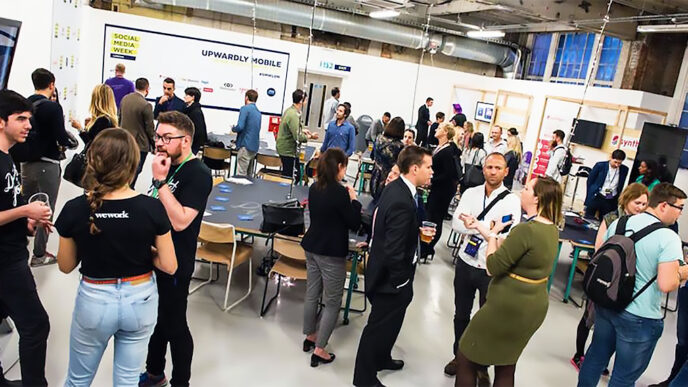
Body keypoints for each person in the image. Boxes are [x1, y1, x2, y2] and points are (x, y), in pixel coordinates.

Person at [55, 128, 177, 386]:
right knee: (127, 381)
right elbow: (169, 265)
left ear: (93, 160)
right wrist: (148, 253)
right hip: (140, 299)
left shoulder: (75, 209)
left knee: (77, 380)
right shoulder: (152, 208)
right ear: (134, 164)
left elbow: (66, 266)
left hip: (94, 299)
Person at [455, 176, 562, 387]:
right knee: (506, 363)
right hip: (532, 308)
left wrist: (494, 234)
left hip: (507, 306)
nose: (522, 191)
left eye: (528, 189)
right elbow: (509, 246)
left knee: (466, 356)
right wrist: (480, 227)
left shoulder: (525, 230)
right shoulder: (550, 230)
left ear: (537, 199)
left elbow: (493, 265)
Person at [578, 183, 688, 387]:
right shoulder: (668, 237)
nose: (680, 214)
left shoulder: (620, 223)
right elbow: (666, 284)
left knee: (594, 359)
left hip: (608, 304)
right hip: (640, 317)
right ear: (663, 205)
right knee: (623, 377)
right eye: (679, 207)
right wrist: (683, 271)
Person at [140, 111, 212, 387]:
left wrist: (159, 182)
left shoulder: (199, 173)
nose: (159, 142)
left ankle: (181, 382)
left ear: (186, 140)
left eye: (167, 138)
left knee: (175, 326)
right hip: (154, 258)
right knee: (160, 322)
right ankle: (155, 372)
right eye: (158, 136)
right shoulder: (166, 164)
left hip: (176, 261)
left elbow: (181, 220)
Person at [353, 146, 435, 387]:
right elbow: (393, 249)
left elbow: (393, 231)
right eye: (428, 167)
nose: (432, 172)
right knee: (377, 327)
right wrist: (402, 281)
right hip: (391, 278)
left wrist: (414, 231)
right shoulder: (401, 199)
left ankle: (382, 358)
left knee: (392, 322)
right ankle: (364, 378)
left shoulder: (398, 188)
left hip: (389, 272)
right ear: (414, 168)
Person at [444, 153, 522, 380]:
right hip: (466, 263)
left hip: (492, 267)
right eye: (489, 167)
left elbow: (508, 232)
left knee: (487, 319)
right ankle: (459, 356)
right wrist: (488, 228)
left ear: (506, 171)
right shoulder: (471, 193)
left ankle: (481, 366)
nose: (493, 171)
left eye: (498, 167)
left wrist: (475, 224)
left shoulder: (512, 200)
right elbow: (457, 223)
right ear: (483, 169)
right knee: (461, 315)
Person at [0, 89, 51, 387]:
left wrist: (26, 222)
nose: (28, 125)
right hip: (6, 261)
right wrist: (24, 211)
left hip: (11, 250)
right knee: (35, 325)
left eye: (29, 119)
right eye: (21, 119)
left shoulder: (8, 159)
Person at [571, 183, 649, 373]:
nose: (641, 207)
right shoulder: (612, 218)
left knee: (609, 325)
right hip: (604, 276)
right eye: (637, 202)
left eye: (645, 204)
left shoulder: (645, 223)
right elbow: (600, 248)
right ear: (627, 200)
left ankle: (599, 359)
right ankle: (579, 355)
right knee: (589, 318)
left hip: (624, 282)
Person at [301, 148, 362, 367]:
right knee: (332, 301)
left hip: (311, 247)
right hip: (330, 253)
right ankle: (320, 348)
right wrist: (354, 200)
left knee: (312, 293)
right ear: (339, 167)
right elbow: (353, 222)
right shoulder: (340, 193)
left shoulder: (314, 188)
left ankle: (310, 335)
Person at [20, 68, 73, 266]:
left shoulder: (25, 103)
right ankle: (40, 254)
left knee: (25, 205)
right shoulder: (52, 108)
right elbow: (61, 137)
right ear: (52, 84)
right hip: (48, 163)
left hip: (26, 162)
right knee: (45, 208)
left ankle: (20, 242)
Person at [421, 122, 461, 260]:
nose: (436, 130)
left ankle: (429, 248)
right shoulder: (440, 147)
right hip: (437, 188)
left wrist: (431, 180)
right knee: (430, 215)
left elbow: (448, 174)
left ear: (445, 132)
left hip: (443, 190)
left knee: (435, 218)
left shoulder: (448, 151)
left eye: (439, 128)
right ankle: (425, 246)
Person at [120, 77, 155, 188]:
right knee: (135, 173)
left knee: (124, 171)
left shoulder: (125, 99)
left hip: (124, 142)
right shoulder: (146, 105)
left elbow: (119, 118)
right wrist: (154, 144)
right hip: (140, 145)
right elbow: (149, 128)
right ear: (147, 88)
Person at [276, 89, 318, 181]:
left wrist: (302, 129)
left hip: (286, 149)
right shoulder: (294, 115)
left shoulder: (290, 110)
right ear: (301, 101)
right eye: (305, 99)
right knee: (293, 177)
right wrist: (311, 137)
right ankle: (285, 193)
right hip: (288, 151)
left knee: (291, 174)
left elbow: (290, 128)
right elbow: (298, 137)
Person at [584, 149, 629, 220]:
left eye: (619, 163)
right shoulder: (600, 165)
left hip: (610, 197)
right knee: (588, 218)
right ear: (611, 158)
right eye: (615, 162)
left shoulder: (624, 169)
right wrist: (590, 194)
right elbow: (590, 181)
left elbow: (620, 184)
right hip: (597, 195)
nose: (617, 165)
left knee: (605, 219)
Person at [369, 117, 405, 200]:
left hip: (375, 175)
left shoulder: (379, 138)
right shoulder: (399, 146)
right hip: (389, 178)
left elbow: (372, 156)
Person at [232, 89, 261, 176]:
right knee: (249, 176)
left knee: (241, 175)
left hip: (245, 145)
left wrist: (233, 129)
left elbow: (240, 126)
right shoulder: (258, 112)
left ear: (246, 97)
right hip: (254, 147)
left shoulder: (244, 109)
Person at [182, 87, 207, 155]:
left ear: (193, 97)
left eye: (187, 95)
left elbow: (198, 131)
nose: (184, 97)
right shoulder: (190, 110)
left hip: (193, 143)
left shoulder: (195, 112)